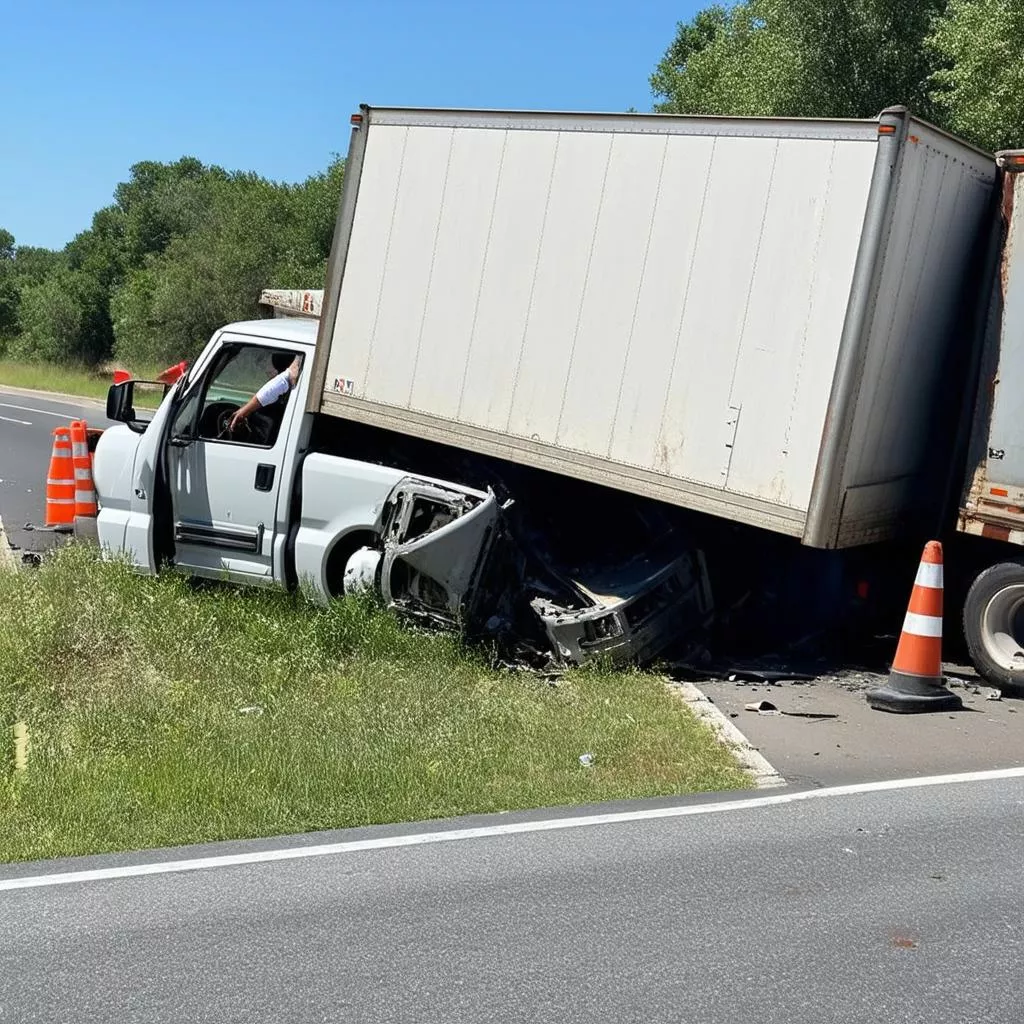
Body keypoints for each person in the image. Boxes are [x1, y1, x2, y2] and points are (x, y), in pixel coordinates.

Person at [229, 351, 302, 434]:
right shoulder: (287, 394)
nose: (265, 369)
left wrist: (244, 411)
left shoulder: (272, 406)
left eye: (264, 361)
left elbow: (282, 381)